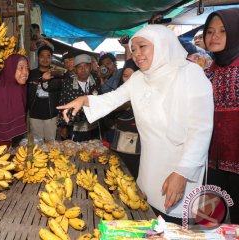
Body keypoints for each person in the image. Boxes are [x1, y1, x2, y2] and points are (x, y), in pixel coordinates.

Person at [57, 25, 214, 223]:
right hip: (150, 165)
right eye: (134, 48)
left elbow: (201, 129)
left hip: (181, 165)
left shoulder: (190, 74)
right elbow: (112, 99)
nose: (137, 54)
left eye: (142, 47)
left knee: (176, 224)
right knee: (149, 216)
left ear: (162, 45)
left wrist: (182, 172)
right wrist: (84, 100)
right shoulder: (139, 78)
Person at [203, 8, 239, 224]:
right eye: (210, 31)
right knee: (210, 221)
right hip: (211, 160)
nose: (214, 36)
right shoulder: (207, 71)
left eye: (223, 31)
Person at [58, 54, 101, 142]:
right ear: (75, 69)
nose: (83, 69)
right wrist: (63, 126)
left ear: (90, 67)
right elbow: (63, 104)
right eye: (79, 67)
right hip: (75, 128)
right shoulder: (68, 84)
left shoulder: (96, 81)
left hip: (94, 128)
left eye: (86, 66)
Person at [27, 45, 62, 142]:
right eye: (42, 56)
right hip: (34, 115)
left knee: (51, 145)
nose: (45, 59)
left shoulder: (56, 75)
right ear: (38, 58)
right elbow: (26, 93)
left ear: (51, 58)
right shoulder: (30, 74)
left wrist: (59, 113)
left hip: (51, 116)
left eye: (48, 56)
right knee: (37, 145)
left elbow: (59, 93)